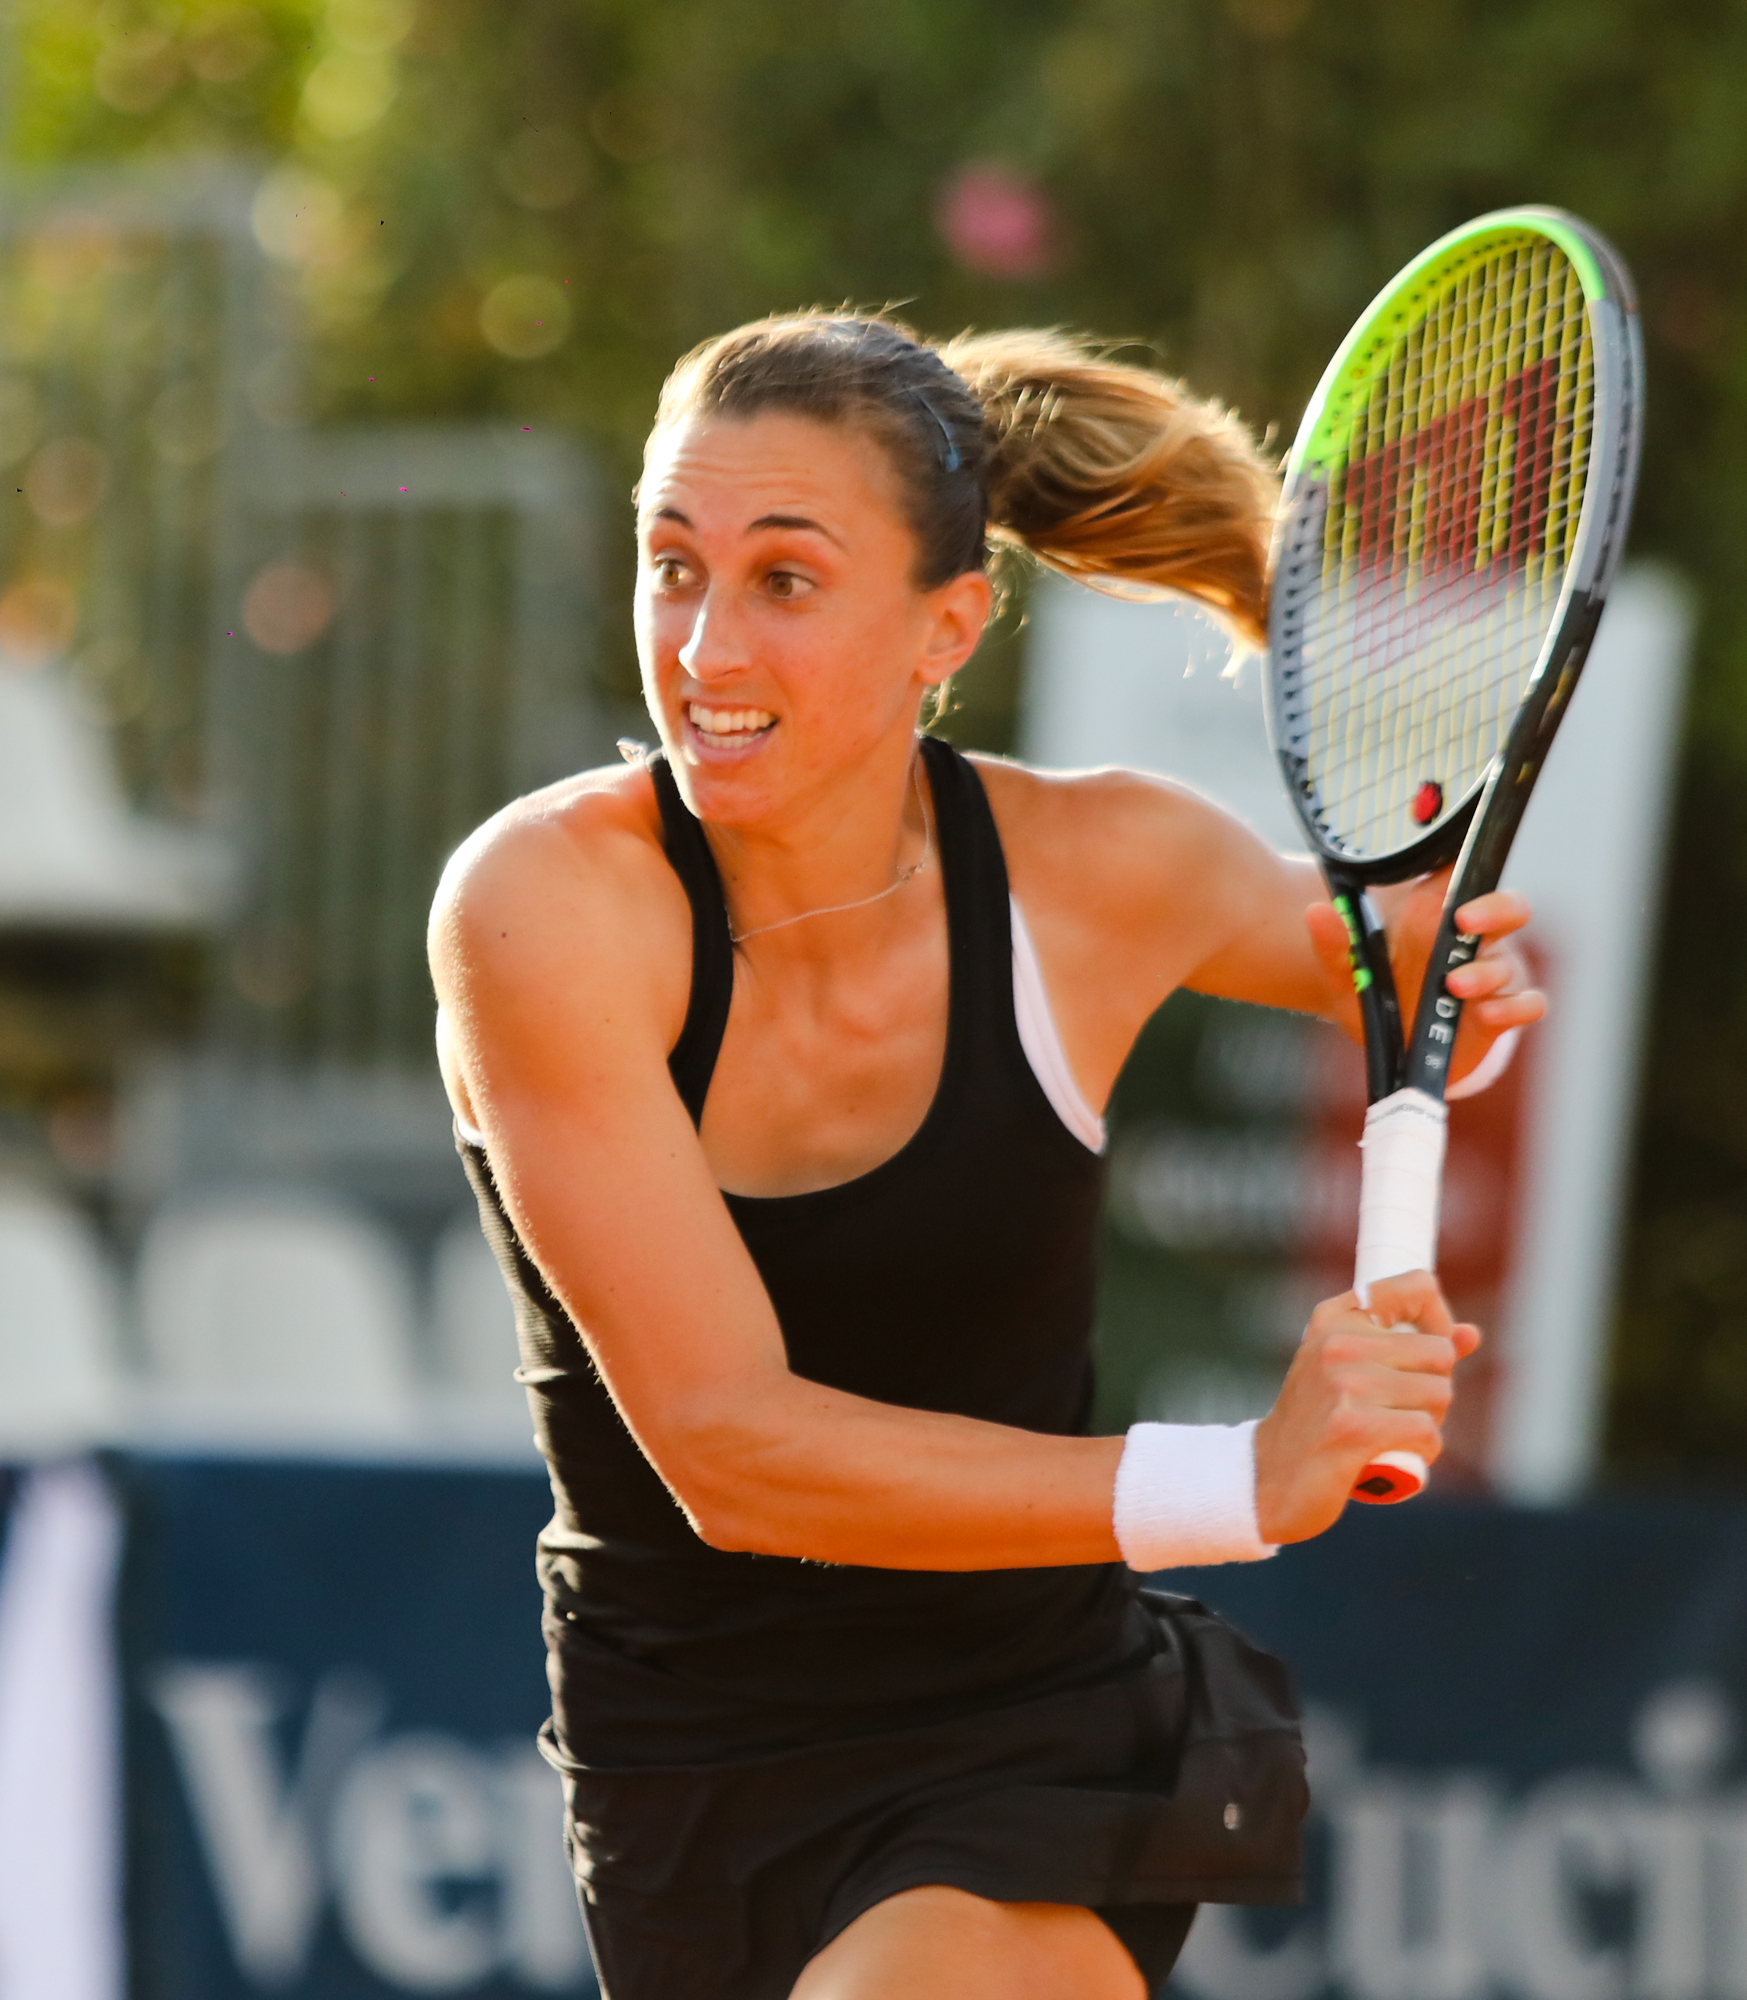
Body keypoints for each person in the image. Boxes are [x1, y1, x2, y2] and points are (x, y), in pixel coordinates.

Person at [428, 312, 1544, 2000]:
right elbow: (731, 1454)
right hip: (681, 1763)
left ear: (946, 626)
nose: (705, 645)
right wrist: (1236, 1480)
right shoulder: (546, 908)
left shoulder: (1102, 867)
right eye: (672, 565)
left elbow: (1400, 965)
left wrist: (1465, 980)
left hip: (1028, 1737)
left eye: (784, 581)